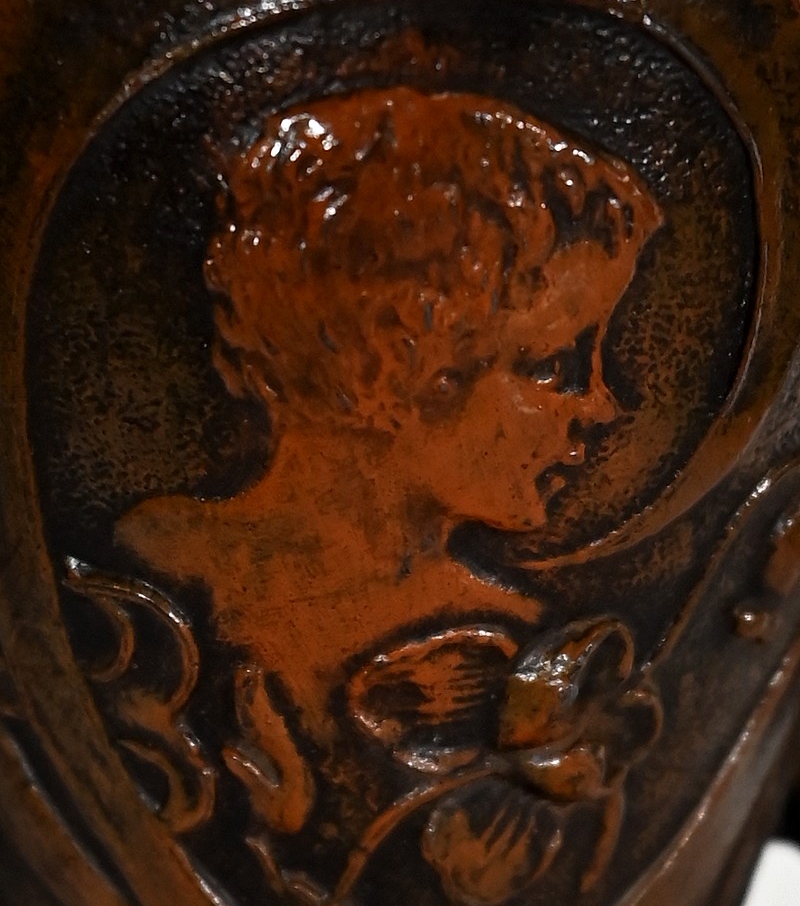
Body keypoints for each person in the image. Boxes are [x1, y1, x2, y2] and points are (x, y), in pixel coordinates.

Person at [116, 85, 663, 843]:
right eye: (551, 366)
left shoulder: (519, 641)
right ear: (402, 362)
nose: (600, 405)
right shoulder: (146, 585)